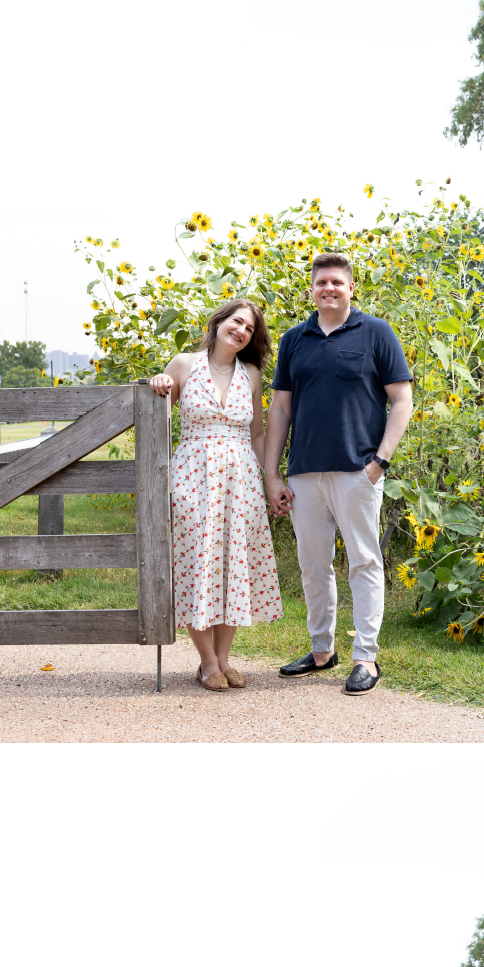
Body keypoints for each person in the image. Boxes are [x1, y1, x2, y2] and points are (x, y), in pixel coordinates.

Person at [263, 254, 413, 695]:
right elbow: (281, 409)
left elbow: (401, 400)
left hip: (357, 471)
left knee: (364, 562)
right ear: (311, 290)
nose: (328, 288)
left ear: (351, 288)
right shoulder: (295, 339)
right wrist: (273, 474)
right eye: (321, 282)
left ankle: (365, 657)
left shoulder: (377, 333)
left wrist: (380, 462)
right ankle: (321, 651)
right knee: (313, 566)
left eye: (336, 282)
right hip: (304, 473)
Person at [150, 299, 282, 691]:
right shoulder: (183, 364)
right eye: (236, 321)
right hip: (194, 478)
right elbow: (157, 416)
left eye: (249, 329)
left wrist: (271, 479)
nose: (241, 331)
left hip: (241, 483)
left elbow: (257, 434)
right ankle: (207, 663)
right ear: (219, 321)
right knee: (198, 565)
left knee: (232, 568)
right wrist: (158, 381)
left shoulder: (252, 374)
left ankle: (224, 660)